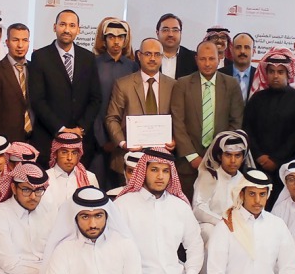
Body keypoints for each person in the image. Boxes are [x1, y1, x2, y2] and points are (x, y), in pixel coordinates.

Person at [112, 148, 214, 274]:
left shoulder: (179, 206)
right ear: (143, 171)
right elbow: (112, 251)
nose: (160, 176)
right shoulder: (123, 205)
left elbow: (194, 245)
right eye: (154, 170)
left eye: (165, 171)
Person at [169, 39, 244, 198]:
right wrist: (192, 157)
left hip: (221, 164)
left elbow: (236, 122)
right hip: (188, 164)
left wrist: (218, 155)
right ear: (196, 59)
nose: (207, 63)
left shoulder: (231, 85)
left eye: (211, 58)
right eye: (203, 59)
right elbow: (178, 123)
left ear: (219, 58)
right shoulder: (182, 84)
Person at [29, 9, 101, 164]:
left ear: (78, 30)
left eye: (72, 25)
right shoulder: (40, 57)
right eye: (62, 24)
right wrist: (61, 129)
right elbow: (37, 100)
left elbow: (95, 98)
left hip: (82, 141)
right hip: (48, 139)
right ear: (54, 27)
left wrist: (80, 128)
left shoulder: (88, 58)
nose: (67, 29)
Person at [243, 47, 295, 206]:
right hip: (257, 164)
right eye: (271, 71)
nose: (276, 76)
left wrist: (276, 159)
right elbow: (248, 128)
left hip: (285, 167)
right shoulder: (257, 99)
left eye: (280, 72)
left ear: (288, 74)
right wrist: (259, 155)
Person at [105, 37, 175, 176]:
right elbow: (112, 118)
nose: (152, 58)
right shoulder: (123, 84)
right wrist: (123, 143)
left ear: (162, 57)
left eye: (157, 54)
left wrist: (175, 140)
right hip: (129, 159)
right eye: (148, 54)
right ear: (139, 55)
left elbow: (180, 120)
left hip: (162, 160)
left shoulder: (173, 85)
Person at [90, 17, 139, 186]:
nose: (116, 42)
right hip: (98, 140)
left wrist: (120, 139)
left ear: (126, 40)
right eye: (111, 37)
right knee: (97, 185)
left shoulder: (133, 66)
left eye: (120, 37)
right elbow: (92, 103)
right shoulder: (94, 64)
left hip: (124, 140)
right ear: (104, 40)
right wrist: (103, 140)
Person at [193, 130, 254, 246]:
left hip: (237, 227)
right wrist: (223, 222)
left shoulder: (244, 180)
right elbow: (198, 208)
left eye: (237, 155)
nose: (233, 160)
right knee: (210, 231)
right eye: (228, 155)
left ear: (243, 157)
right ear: (220, 156)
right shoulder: (209, 176)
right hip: (211, 226)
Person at [0, 23, 35, 145]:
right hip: (7, 141)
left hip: (34, 140)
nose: (20, 45)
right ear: (7, 42)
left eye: (24, 40)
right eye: (15, 40)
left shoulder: (35, 69)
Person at [44, 130, 99, 213]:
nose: (69, 158)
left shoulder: (89, 178)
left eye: (74, 153)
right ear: (55, 154)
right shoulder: (45, 178)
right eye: (64, 152)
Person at [157, 13, 198, 79]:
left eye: (175, 30)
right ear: (157, 33)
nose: (170, 34)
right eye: (165, 30)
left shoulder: (193, 59)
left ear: (180, 33)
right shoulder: (145, 57)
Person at [229, 32, 256, 100]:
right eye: (238, 47)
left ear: (253, 51)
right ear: (231, 50)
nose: (242, 51)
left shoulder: (259, 76)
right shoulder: (220, 74)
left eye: (247, 47)